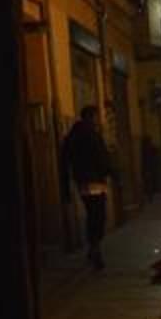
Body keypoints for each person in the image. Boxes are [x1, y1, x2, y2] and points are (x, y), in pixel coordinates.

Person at [61, 105, 113, 270]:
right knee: (98, 215)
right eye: (97, 116)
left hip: (82, 181)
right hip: (95, 180)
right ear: (91, 117)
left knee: (92, 214)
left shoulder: (72, 136)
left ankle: (93, 246)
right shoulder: (92, 134)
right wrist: (112, 172)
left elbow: (65, 159)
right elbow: (102, 157)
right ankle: (95, 247)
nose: (99, 120)